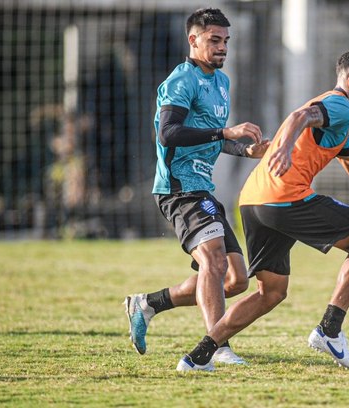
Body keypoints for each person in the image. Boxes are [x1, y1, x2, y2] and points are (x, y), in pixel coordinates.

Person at [176, 49, 349, 372]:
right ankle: (329, 329)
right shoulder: (338, 104)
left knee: (272, 292)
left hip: (254, 201)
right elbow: (301, 117)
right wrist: (282, 148)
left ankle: (198, 355)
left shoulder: (339, 120)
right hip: (285, 197)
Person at [124, 7, 268, 365]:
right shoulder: (180, 81)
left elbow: (212, 140)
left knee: (235, 280)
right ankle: (217, 348)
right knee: (214, 261)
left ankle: (147, 304)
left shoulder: (221, 82)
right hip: (178, 188)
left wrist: (245, 149)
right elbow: (168, 133)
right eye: (214, 40)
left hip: (202, 188)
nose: (222, 48)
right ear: (194, 40)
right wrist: (225, 132)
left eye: (225, 41)